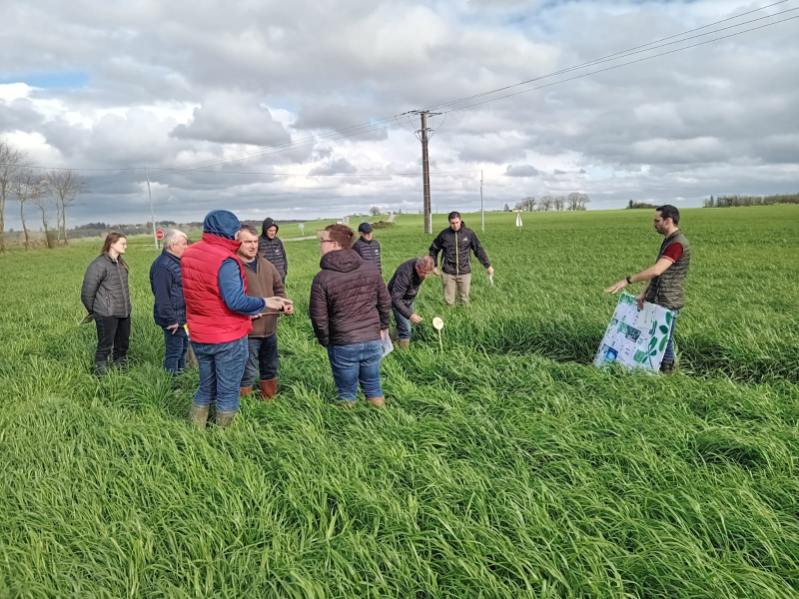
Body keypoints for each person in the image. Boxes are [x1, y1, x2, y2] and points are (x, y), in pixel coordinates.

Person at [181, 210, 290, 428]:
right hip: (226, 336)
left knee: (206, 385)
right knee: (228, 389)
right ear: (230, 233)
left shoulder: (190, 253)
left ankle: (196, 431)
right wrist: (265, 302)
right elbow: (235, 301)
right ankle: (224, 437)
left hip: (200, 334)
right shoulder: (226, 260)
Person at [309, 224, 391, 407]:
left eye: (323, 241)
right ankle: (383, 423)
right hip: (372, 338)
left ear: (335, 244)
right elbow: (385, 302)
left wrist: (326, 340)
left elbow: (318, 317)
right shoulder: (370, 269)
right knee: (373, 387)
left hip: (343, 342)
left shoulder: (322, 278)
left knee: (346, 393)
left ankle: (348, 430)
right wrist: (382, 327)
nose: (320, 245)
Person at [605, 204, 691, 373]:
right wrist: (644, 293)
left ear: (668, 221)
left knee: (663, 341)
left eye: (657, 220)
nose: (654, 224)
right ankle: (661, 371)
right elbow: (658, 274)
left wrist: (628, 280)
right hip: (659, 297)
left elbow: (657, 269)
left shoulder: (677, 244)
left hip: (667, 300)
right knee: (656, 338)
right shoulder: (669, 241)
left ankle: (667, 374)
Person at [237, 224, 294, 399]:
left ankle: (269, 401)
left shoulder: (267, 265)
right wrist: (246, 313)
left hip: (270, 328)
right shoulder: (232, 267)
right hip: (248, 332)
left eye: (255, 241)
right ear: (237, 242)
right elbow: (230, 300)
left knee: (270, 367)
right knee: (248, 370)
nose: (253, 246)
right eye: (247, 242)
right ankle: (244, 405)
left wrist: (285, 304)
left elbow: (279, 288)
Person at [81, 231, 132, 376]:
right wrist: (96, 310)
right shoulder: (98, 265)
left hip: (124, 311)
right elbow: (87, 292)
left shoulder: (121, 264)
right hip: (106, 313)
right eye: (123, 243)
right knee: (105, 345)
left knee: (123, 344)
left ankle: (121, 369)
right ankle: (100, 374)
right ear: (112, 244)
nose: (125, 246)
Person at [429, 211, 494, 305]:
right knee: (448, 302)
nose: (455, 225)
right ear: (449, 222)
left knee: (464, 300)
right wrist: (434, 266)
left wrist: (488, 266)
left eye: (457, 222)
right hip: (448, 272)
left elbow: (478, 250)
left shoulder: (469, 234)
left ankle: (464, 318)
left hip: (465, 272)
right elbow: (433, 249)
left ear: (460, 220)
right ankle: (449, 318)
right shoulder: (444, 235)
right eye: (452, 223)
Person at [149, 229, 189, 375]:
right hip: (173, 318)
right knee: (174, 352)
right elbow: (162, 297)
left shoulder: (178, 262)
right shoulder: (163, 266)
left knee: (183, 349)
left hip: (183, 316)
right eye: (184, 244)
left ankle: (180, 378)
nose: (187, 247)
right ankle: (171, 385)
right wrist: (171, 319)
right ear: (173, 245)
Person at [387, 256, 435, 349]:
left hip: (408, 299)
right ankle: (404, 355)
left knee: (403, 324)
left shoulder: (422, 266)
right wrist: (410, 315)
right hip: (397, 301)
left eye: (428, 273)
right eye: (423, 273)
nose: (425, 276)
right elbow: (396, 298)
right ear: (417, 267)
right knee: (406, 330)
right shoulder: (405, 273)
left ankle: (391, 341)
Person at [258, 217, 288, 282]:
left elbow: (284, 257)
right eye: (270, 230)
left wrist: (284, 272)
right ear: (265, 230)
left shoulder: (278, 241)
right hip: (266, 278)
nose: (273, 233)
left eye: (274, 230)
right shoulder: (258, 242)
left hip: (280, 277)